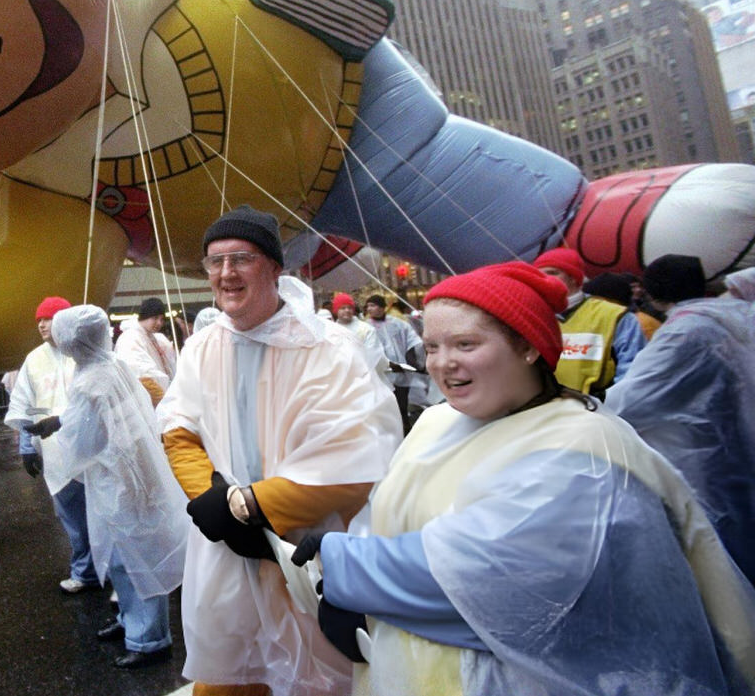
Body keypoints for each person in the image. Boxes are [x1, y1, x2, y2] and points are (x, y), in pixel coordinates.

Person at [292, 262, 755, 695]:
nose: (442, 363)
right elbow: (390, 513)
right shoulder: (439, 421)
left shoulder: (582, 450)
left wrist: (343, 566)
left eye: (466, 345)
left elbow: (491, 575)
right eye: (432, 347)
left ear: (529, 345)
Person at [157, 206, 401, 695]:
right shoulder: (204, 346)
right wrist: (215, 500)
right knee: (231, 669)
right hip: (227, 549)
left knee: (319, 673)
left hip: (307, 551)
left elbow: (357, 453)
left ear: (274, 266)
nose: (226, 273)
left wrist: (255, 507)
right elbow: (178, 429)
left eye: (241, 258)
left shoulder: (327, 347)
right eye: (214, 261)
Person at [35, 304, 187, 669]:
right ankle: (131, 622)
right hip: (125, 477)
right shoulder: (110, 366)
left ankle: (150, 640)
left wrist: (58, 429)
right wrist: (62, 420)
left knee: (134, 559)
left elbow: (84, 440)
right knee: (121, 556)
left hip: (119, 482)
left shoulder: (90, 380)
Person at [608, 255, 755, 582]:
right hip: (738, 442)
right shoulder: (737, 313)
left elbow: (631, 400)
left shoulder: (684, 330)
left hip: (713, 460)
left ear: (651, 291)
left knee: (732, 551)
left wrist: (580, 409)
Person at [2, 296, 99, 594]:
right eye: (39, 320)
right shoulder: (34, 359)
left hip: (92, 448)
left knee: (104, 513)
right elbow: (24, 403)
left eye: (49, 318)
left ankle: (117, 573)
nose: (42, 324)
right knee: (71, 516)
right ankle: (86, 572)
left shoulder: (84, 353)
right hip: (55, 451)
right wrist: (27, 446)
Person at [532, 246, 644, 399]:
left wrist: (603, 406)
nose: (545, 279)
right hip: (542, 413)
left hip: (596, 412)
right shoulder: (532, 317)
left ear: (573, 278)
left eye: (553, 273)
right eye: (539, 274)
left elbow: (633, 375)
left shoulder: (615, 316)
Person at [363, 294, 425, 426]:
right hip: (382, 374)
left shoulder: (398, 324)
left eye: (372, 305)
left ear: (382, 307)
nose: (369, 309)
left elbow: (413, 341)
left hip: (401, 372)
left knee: (402, 405)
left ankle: (405, 430)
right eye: (368, 306)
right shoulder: (365, 328)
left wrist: (412, 361)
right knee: (387, 407)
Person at [114, 297, 177, 403]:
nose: (159, 323)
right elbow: (140, 371)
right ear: (145, 316)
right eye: (155, 318)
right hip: (145, 399)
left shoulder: (154, 337)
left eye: (162, 319)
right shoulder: (130, 337)